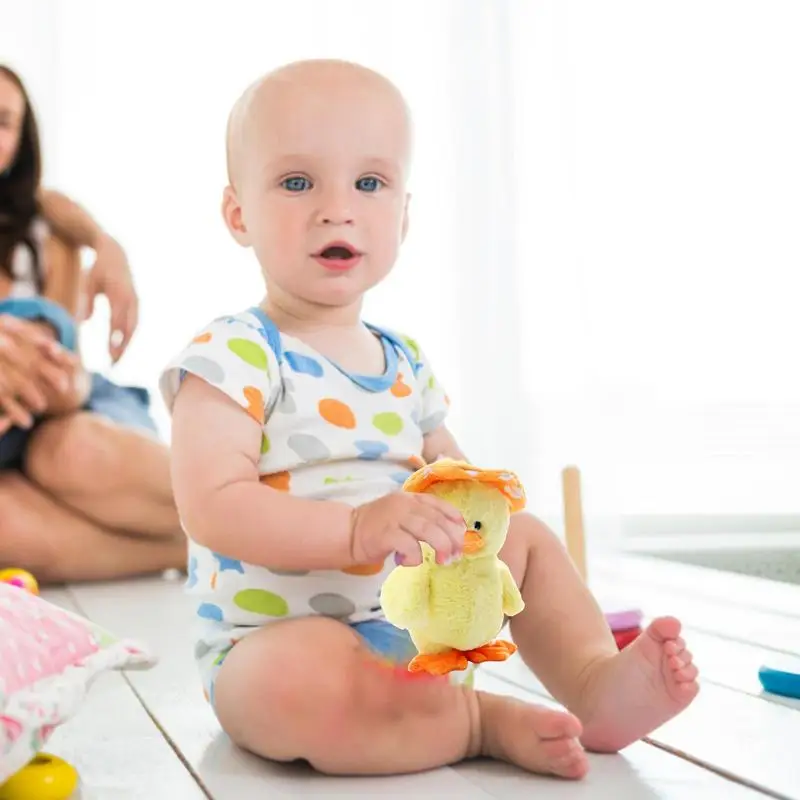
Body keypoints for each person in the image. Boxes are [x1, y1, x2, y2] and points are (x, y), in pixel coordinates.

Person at [159, 59, 699, 780]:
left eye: (370, 183)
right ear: (238, 215)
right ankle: (477, 721)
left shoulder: (405, 362)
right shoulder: (234, 354)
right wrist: (354, 531)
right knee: (295, 677)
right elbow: (211, 508)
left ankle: (594, 680)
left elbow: (460, 490)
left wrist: (473, 537)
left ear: (403, 216)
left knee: (527, 539)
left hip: (417, 629)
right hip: (278, 641)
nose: (337, 208)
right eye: (297, 183)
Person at [0, 64, 186, 582]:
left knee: (69, 452)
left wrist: (42, 377)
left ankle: (290, 512)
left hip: (65, 413)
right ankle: (194, 551)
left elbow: (67, 377)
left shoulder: (45, 236)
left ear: (20, 143)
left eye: (2, 122)